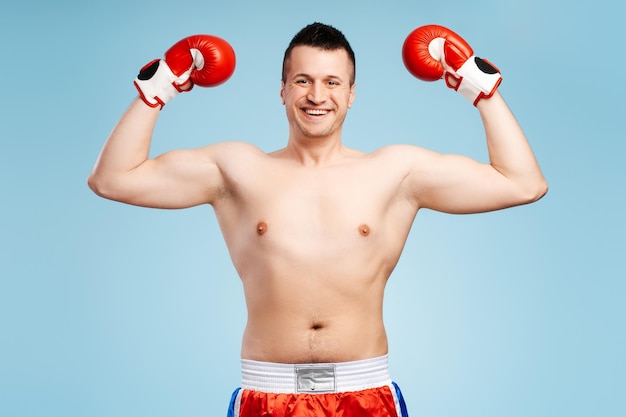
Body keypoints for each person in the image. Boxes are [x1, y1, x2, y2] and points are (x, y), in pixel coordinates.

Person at [88, 22, 547, 417]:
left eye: (332, 82)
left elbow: (522, 183)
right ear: (283, 89)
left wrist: (476, 84)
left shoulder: (395, 171)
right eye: (303, 80)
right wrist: (160, 85)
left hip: (364, 393)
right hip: (267, 394)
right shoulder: (237, 169)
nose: (316, 95)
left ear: (351, 95)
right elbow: (112, 179)